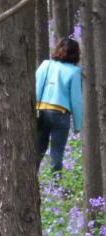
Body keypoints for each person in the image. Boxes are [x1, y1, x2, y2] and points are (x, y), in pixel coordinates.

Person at [35, 38, 84, 175]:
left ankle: (30, 180)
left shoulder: (45, 65)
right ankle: (57, 185)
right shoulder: (74, 72)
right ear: (76, 53)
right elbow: (76, 100)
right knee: (56, 155)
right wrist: (78, 125)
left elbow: (36, 88)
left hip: (42, 112)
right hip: (60, 115)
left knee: (37, 151)